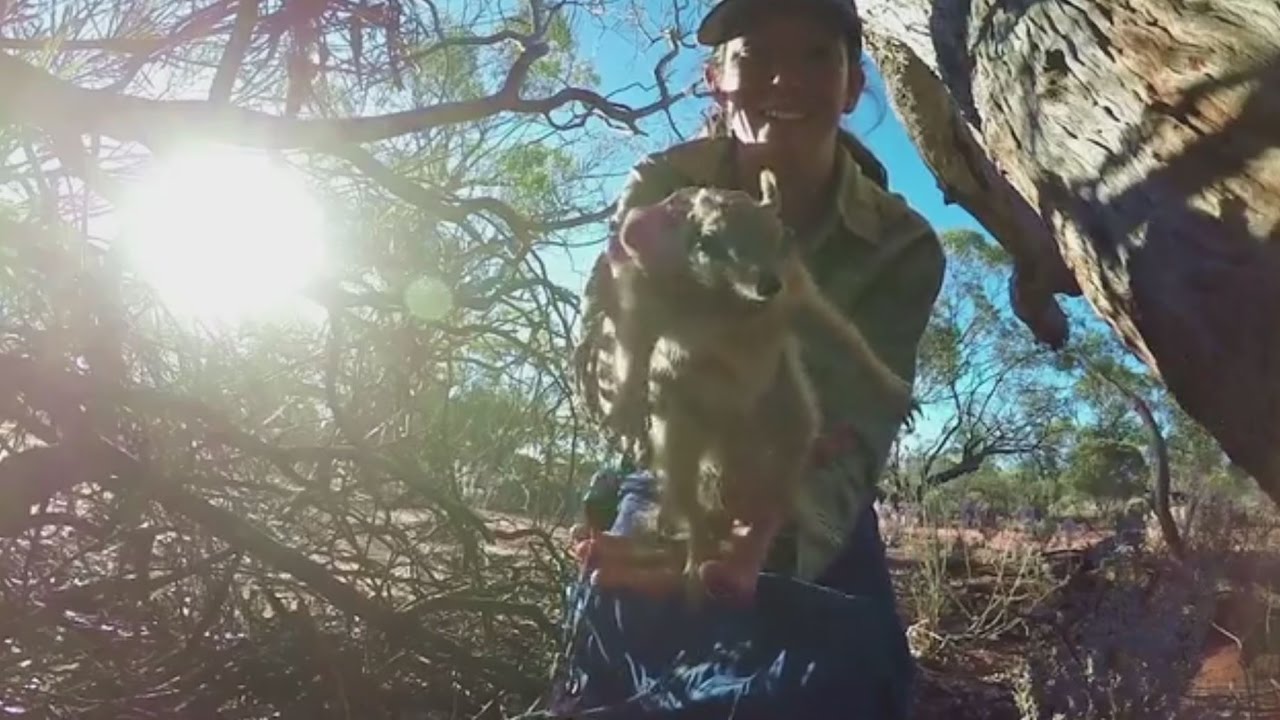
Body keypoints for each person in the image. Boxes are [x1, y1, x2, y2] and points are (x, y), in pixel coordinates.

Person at [554, 0, 945, 716]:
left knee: (855, 680)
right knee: (624, 645)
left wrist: (755, 542)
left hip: (810, 487)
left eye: (814, 57)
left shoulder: (904, 245)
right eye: (754, 56)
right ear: (715, 78)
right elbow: (608, 361)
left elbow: (857, 425)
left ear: (855, 84)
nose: (782, 80)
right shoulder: (660, 190)